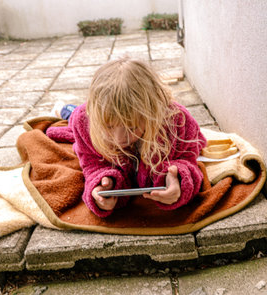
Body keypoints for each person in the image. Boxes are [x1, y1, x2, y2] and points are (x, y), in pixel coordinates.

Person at [46, 58, 206, 218]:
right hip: (79, 112)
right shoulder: (83, 121)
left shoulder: (177, 120)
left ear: (152, 112)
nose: (119, 139)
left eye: (131, 127)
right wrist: (99, 185)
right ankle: (63, 109)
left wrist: (180, 181)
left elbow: (187, 157)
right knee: (72, 113)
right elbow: (91, 163)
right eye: (108, 127)